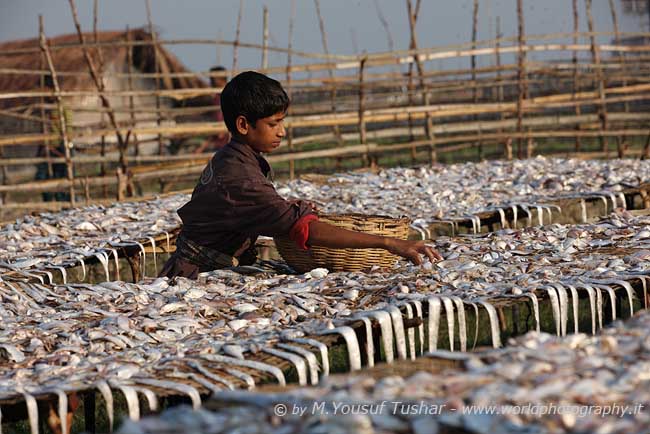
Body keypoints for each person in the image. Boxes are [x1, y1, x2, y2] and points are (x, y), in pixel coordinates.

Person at [160, 71, 441, 280]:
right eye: (273, 123)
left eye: (282, 121)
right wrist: (389, 243)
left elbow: (266, 210)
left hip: (209, 265)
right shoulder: (239, 177)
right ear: (244, 125)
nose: (282, 131)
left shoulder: (232, 156)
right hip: (196, 276)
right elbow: (304, 229)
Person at [193, 66, 230, 154]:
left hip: (224, 144)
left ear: (219, 80)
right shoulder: (217, 98)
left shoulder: (224, 98)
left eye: (212, 79)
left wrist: (203, 147)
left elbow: (219, 130)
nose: (211, 82)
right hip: (219, 142)